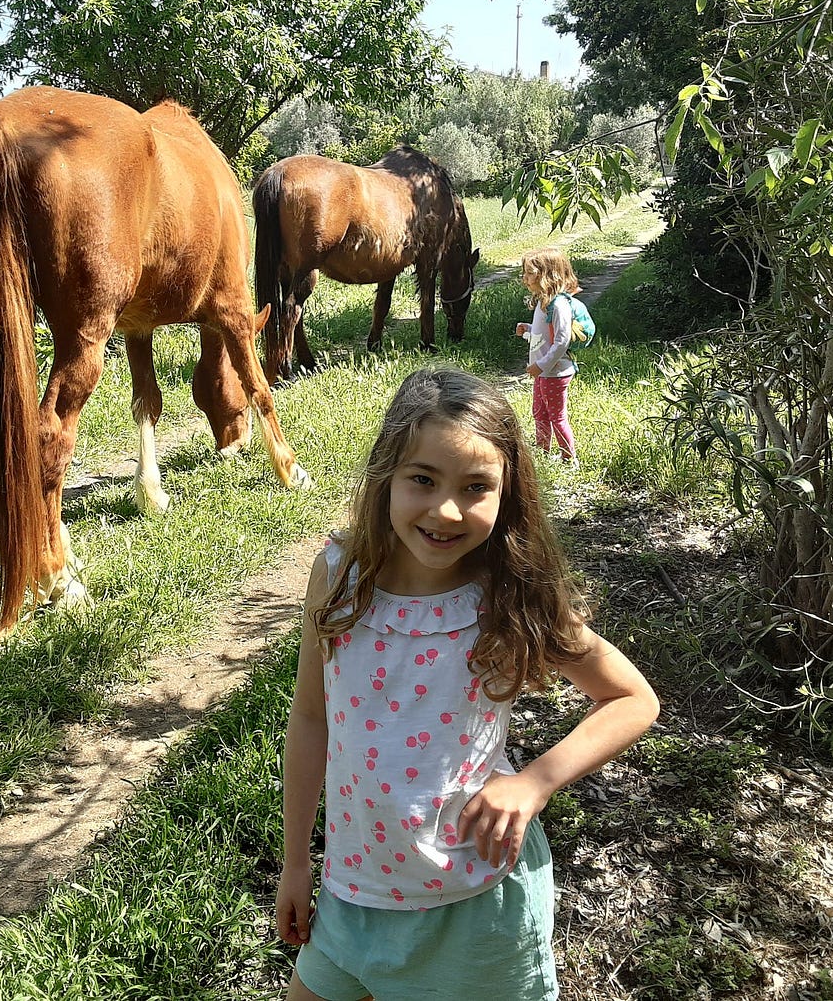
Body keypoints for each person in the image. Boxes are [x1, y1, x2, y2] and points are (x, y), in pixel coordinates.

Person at [276, 368, 659, 1001]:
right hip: (355, 891)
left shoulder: (508, 593)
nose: (446, 509)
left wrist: (534, 782)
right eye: (422, 479)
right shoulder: (339, 574)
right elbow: (311, 719)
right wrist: (297, 863)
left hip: (478, 905)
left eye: (476, 487)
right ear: (386, 478)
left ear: (507, 496)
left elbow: (632, 699)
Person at [514, 247, 581, 462]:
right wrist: (529, 329)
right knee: (539, 413)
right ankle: (543, 453)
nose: (525, 279)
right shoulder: (543, 302)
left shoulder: (559, 304)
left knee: (557, 417)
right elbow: (545, 335)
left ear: (548, 275)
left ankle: (569, 459)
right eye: (524, 273)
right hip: (543, 372)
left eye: (530, 273)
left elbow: (562, 341)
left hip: (556, 372)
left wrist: (541, 365)